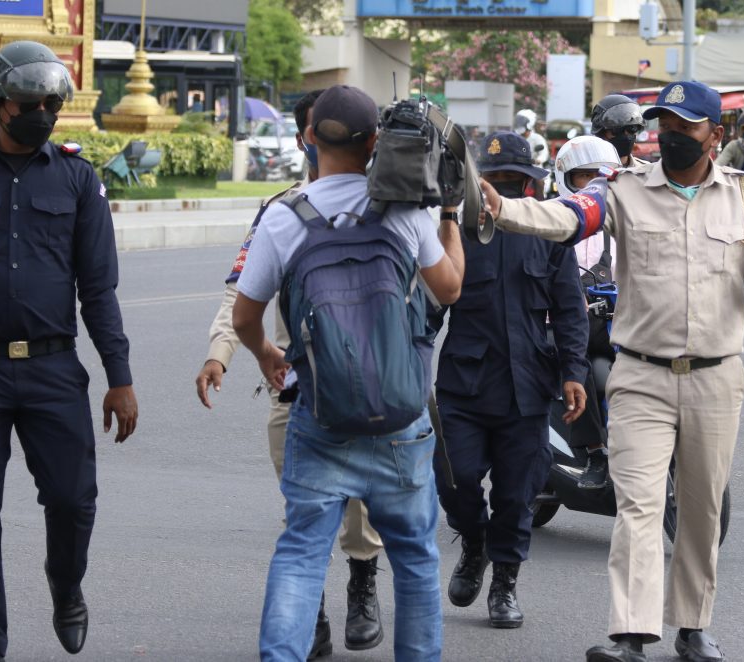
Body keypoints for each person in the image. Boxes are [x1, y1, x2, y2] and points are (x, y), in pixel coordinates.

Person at [477, 80, 744, 662]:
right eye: (661, 126)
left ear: (714, 135)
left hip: (716, 379)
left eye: (683, 127)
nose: (669, 137)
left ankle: (692, 627)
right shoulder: (622, 190)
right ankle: (632, 635)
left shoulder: (743, 196)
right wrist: (505, 208)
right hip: (640, 376)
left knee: (700, 508)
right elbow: (568, 216)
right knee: (639, 504)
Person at [232, 84, 464, 662]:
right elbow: (450, 289)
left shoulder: (285, 218)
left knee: (302, 552)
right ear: (374, 143)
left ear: (309, 138)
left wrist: (266, 353)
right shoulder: (408, 211)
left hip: (321, 415)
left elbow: (244, 317)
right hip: (400, 421)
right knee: (414, 554)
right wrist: (451, 215)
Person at [195, 90, 385, 658]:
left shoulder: (387, 205)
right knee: (305, 508)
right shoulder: (280, 211)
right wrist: (219, 352)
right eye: (313, 127)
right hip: (297, 386)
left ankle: (362, 582)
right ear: (306, 137)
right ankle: (313, 613)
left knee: (363, 507)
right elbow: (241, 292)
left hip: (373, 386)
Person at [0, 41, 139, 662]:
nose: (42, 111)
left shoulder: (77, 177)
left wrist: (119, 376)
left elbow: (98, 290)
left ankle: (66, 586)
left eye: (51, 101)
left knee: (72, 500)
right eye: (30, 101)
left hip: (52, 366)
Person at [435, 130, 589, 630]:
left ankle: (504, 583)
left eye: (515, 182)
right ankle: (474, 542)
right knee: (453, 478)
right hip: (465, 382)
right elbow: (432, 307)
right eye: (494, 181)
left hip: (527, 386)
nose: (504, 190)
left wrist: (574, 372)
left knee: (516, 494)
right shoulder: (455, 230)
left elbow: (570, 308)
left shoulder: (547, 234)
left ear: (531, 185)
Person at [554, 135, 622, 489]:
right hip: (567, 324)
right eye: (584, 177)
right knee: (583, 369)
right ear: (566, 178)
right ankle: (596, 453)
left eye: (601, 176)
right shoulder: (556, 221)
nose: (594, 184)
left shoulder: (619, 224)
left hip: (614, 322)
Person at [591, 94, 647, 168]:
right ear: (601, 133)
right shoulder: (589, 172)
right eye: (618, 130)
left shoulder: (647, 171)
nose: (626, 135)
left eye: (632, 129)